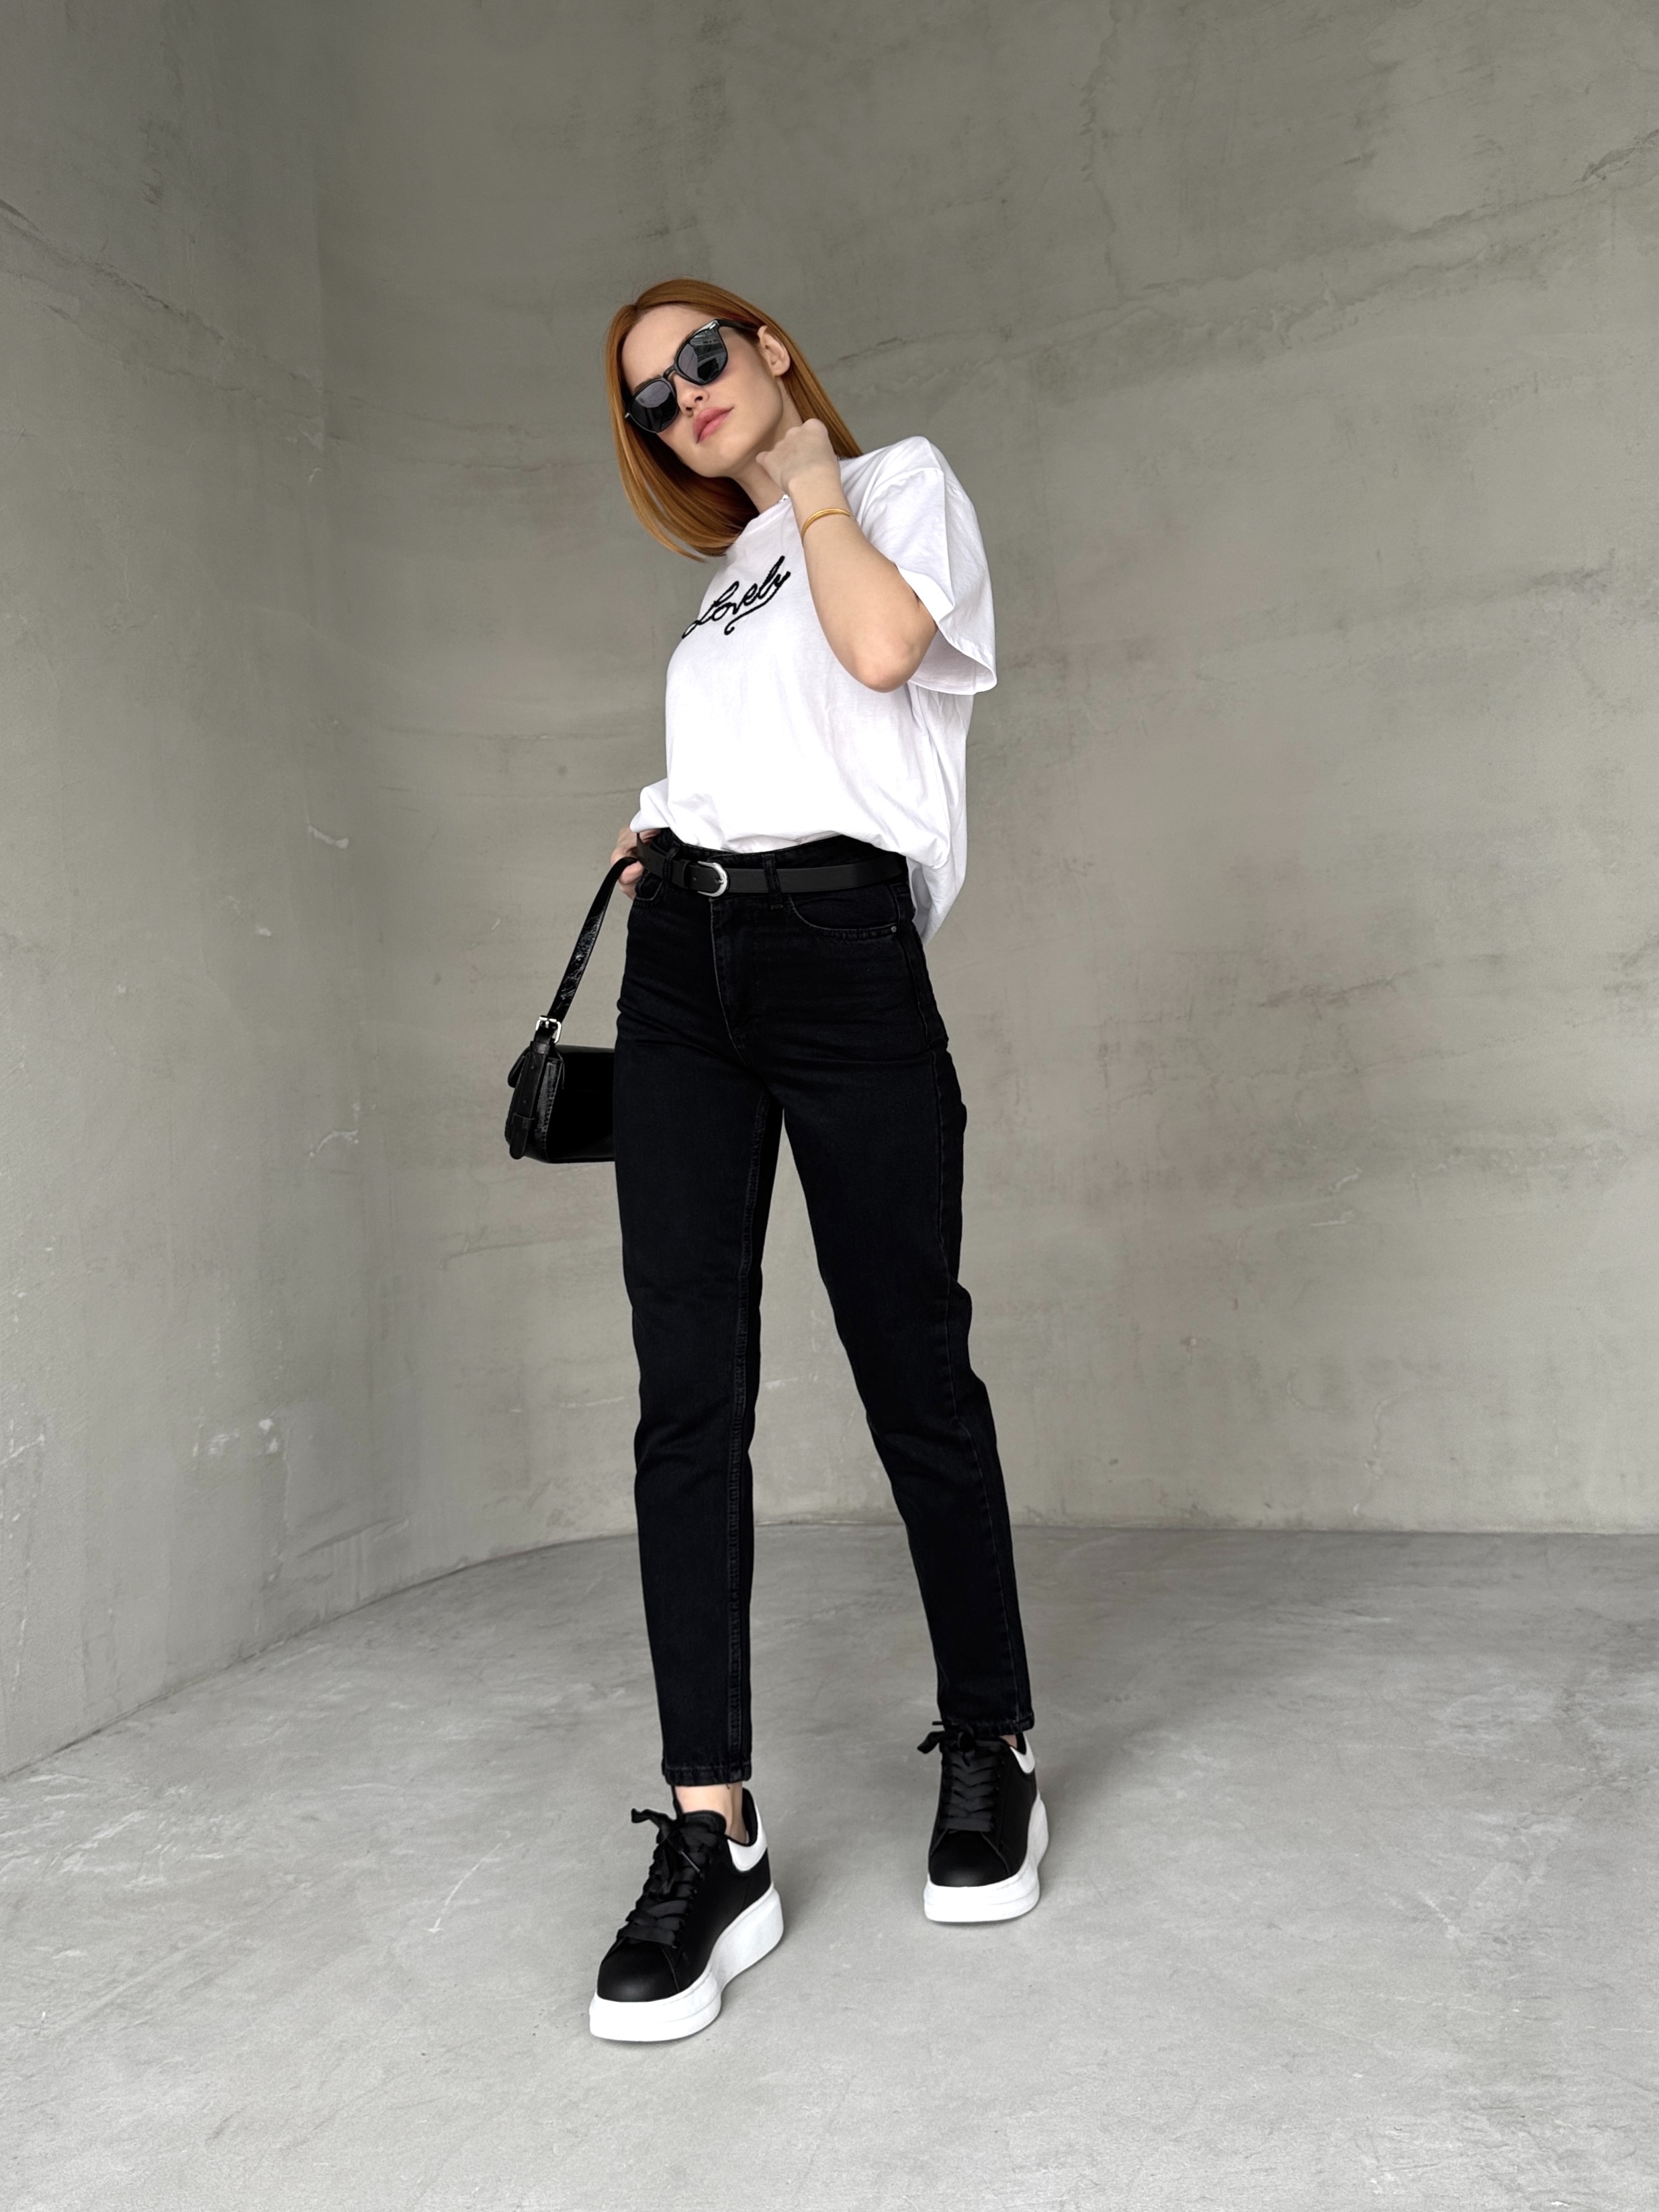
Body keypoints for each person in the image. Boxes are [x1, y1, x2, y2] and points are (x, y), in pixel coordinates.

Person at [587, 280, 1044, 2046]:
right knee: (685, 1392)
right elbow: (756, 740)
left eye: (702, 359)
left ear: (769, 348)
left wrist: (809, 483)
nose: (683, 401)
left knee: (911, 1362)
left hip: (845, 951)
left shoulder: (899, 484)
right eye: (651, 400)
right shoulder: (720, 587)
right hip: (684, 972)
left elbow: (878, 656)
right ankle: (714, 1835)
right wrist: (662, 832)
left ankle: (993, 1739)